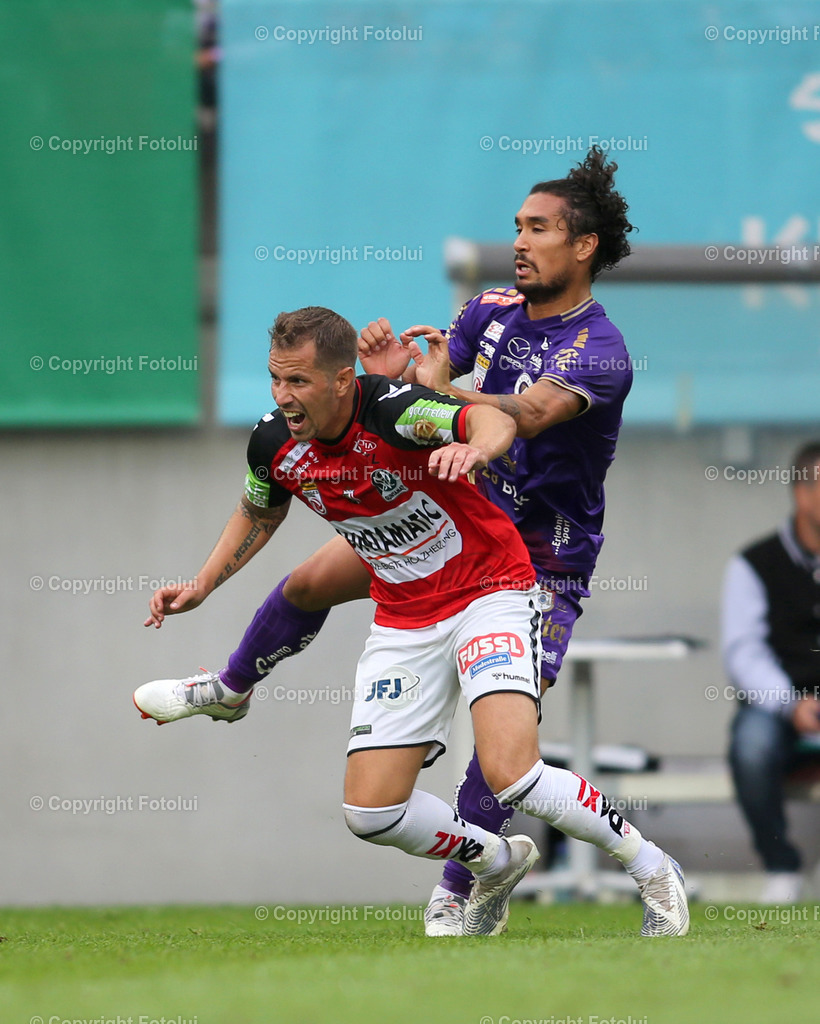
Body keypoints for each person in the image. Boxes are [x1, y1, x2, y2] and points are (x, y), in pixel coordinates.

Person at [136, 148, 665, 934]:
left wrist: (412, 391)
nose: (519, 241)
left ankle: (464, 885)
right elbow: (429, 385)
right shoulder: (492, 305)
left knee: (504, 754)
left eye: (539, 229)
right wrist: (395, 380)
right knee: (311, 583)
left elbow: (522, 416)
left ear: (583, 246)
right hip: (452, 506)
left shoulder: (600, 351)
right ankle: (231, 687)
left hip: (542, 548)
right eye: (516, 226)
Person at [723, 442, 820, 904]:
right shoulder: (753, 564)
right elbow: (744, 652)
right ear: (802, 493)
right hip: (779, 706)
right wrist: (790, 703)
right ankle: (781, 866)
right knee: (751, 745)